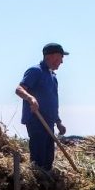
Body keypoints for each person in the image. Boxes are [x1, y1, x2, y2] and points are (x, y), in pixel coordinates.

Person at [15, 43, 69, 171]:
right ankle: (36, 182)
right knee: (38, 159)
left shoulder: (53, 77)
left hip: (49, 122)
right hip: (36, 120)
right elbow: (19, 89)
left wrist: (58, 122)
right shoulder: (36, 71)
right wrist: (30, 98)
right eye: (60, 58)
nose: (61, 62)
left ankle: (46, 185)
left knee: (48, 159)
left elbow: (52, 101)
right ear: (50, 56)